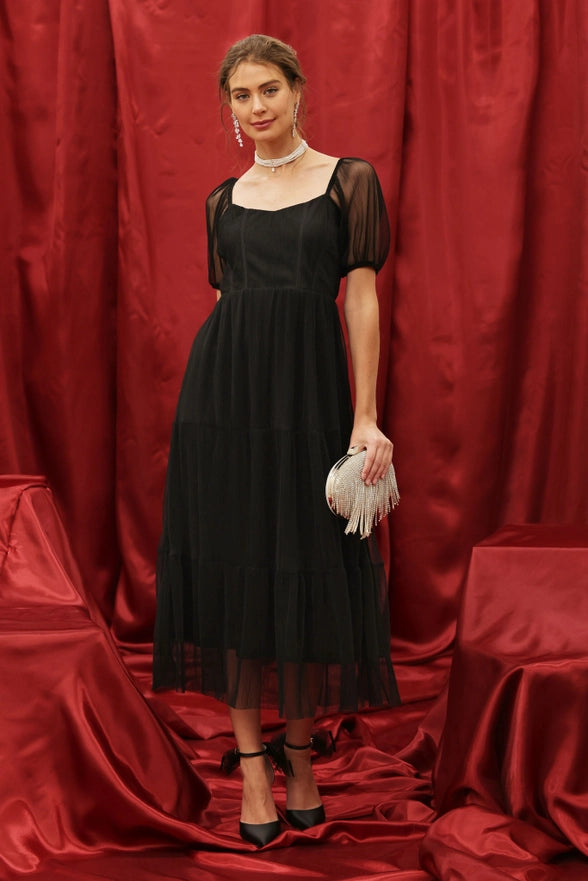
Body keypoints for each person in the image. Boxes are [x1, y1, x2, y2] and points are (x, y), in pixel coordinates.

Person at [153, 33, 400, 848]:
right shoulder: (222, 201)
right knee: (234, 579)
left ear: (297, 90)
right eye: (240, 96)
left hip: (311, 401)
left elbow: (358, 301)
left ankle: (299, 758)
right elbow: (231, 302)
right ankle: (253, 767)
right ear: (228, 108)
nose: (256, 108)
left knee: (295, 571)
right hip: (221, 406)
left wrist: (365, 416)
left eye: (268, 90)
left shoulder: (348, 182)